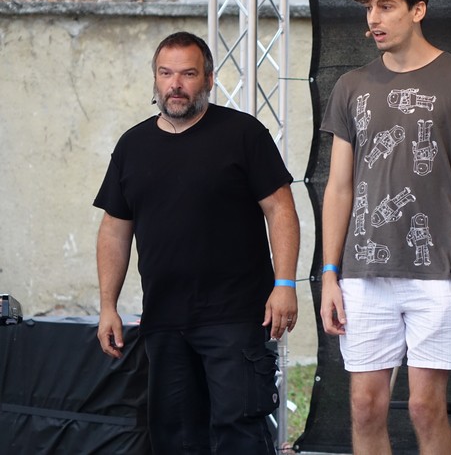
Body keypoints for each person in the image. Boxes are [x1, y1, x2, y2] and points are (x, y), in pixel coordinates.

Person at [319, 0, 451, 455]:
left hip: (437, 274)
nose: (373, 19)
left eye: (386, 7)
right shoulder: (350, 86)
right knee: (364, 406)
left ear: (418, 9)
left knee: (426, 408)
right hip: (362, 275)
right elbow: (338, 187)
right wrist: (330, 274)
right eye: (368, 8)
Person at [94, 31, 300, 454]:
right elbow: (114, 229)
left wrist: (285, 284)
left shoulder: (243, 133)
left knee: (239, 434)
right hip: (164, 320)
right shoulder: (132, 145)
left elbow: (281, 210)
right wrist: (107, 306)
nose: (175, 84)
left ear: (208, 78)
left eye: (188, 74)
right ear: (155, 79)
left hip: (235, 317)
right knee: (176, 439)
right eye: (166, 73)